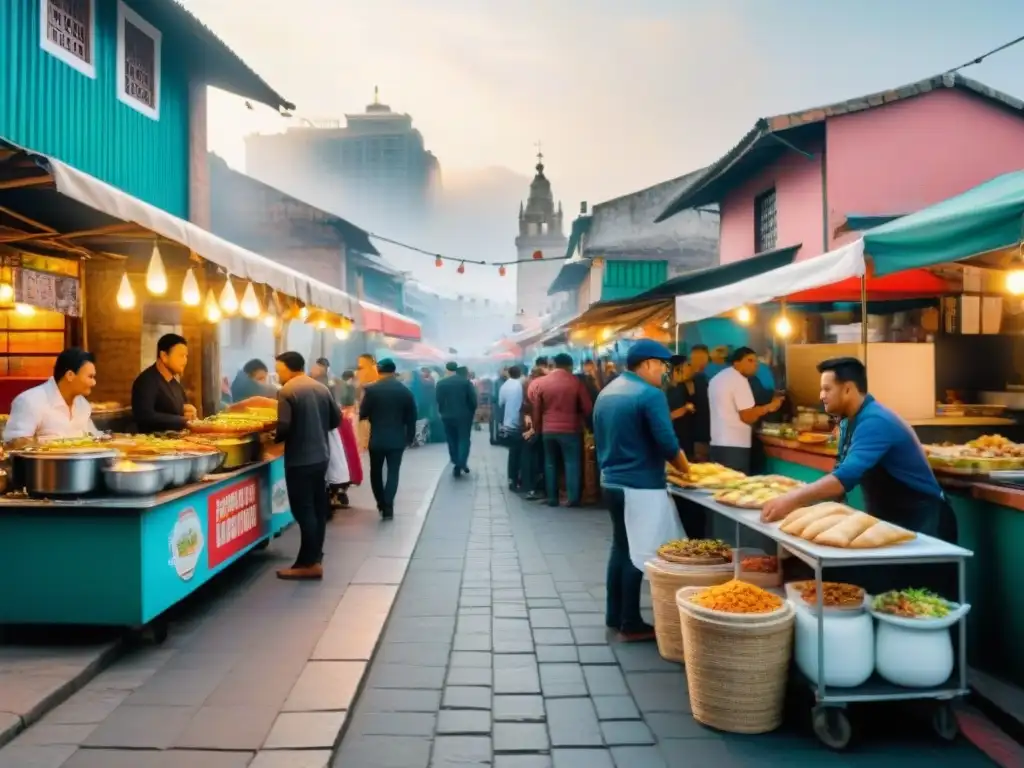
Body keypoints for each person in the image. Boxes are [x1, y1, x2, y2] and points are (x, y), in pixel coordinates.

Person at [760, 357, 958, 596]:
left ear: (848, 389)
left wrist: (792, 499)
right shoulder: (847, 422)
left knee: (921, 605)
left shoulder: (875, 421)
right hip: (890, 521)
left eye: (826, 389)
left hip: (925, 521)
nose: (821, 395)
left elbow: (843, 478)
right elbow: (839, 482)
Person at [594, 339, 690, 641]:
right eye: (663, 365)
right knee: (638, 553)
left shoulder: (608, 391)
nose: (665, 372)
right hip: (640, 485)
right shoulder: (650, 395)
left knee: (621, 547)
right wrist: (689, 470)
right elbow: (667, 441)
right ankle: (631, 622)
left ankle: (615, 614)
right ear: (647, 364)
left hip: (611, 481)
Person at [273, 351, 341, 580]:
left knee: (304, 511)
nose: (278, 373)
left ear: (290, 368)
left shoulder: (287, 391)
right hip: (321, 456)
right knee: (317, 508)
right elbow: (336, 420)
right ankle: (311, 558)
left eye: (279, 369)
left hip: (299, 460)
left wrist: (270, 438)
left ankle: (310, 563)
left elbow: (283, 427)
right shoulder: (321, 388)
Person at [707, 346, 784, 474]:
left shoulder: (717, 379)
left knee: (721, 488)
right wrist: (770, 406)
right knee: (736, 487)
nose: (755, 365)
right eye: (750, 360)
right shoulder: (739, 380)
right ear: (736, 362)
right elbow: (747, 416)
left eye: (756, 361)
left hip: (717, 444)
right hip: (735, 447)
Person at [532, 353, 593, 507]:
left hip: (548, 430)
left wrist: (537, 428)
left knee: (550, 463)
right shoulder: (575, 382)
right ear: (569, 366)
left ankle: (552, 498)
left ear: (554, 364)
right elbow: (587, 407)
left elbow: (537, 409)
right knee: (571, 462)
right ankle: (573, 498)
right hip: (571, 429)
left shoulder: (543, 383)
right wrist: (589, 426)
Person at [359, 358, 417, 519]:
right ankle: (388, 503)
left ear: (378, 370)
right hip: (397, 439)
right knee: (393, 472)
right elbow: (412, 418)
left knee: (375, 472)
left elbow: (363, 413)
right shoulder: (405, 391)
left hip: (376, 438)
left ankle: (380, 502)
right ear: (394, 371)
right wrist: (409, 438)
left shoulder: (371, 390)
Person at [4, 348, 99, 445]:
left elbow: (96, 438)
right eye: (90, 377)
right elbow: (13, 444)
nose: (94, 383)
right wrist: (48, 443)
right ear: (70, 375)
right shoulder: (30, 401)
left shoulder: (83, 404)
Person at [132, 334, 198, 433]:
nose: (185, 361)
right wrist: (183, 420)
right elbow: (145, 416)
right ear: (164, 356)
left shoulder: (176, 385)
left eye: (186, 356)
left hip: (177, 441)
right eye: (181, 355)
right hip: (154, 444)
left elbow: (181, 411)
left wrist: (188, 411)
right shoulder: (146, 381)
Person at [436, 361, 477, 477]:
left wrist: (442, 412)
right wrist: (471, 412)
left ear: (446, 369)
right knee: (464, 439)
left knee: (451, 439)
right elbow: (473, 400)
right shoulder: (465, 383)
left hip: (447, 416)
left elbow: (438, 400)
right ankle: (462, 461)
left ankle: (456, 461)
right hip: (464, 416)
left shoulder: (441, 383)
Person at [520, 364, 547, 500]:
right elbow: (535, 409)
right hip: (537, 428)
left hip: (530, 427)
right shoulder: (538, 387)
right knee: (537, 459)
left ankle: (529, 486)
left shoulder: (528, 386)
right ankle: (536, 487)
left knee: (529, 458)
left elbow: (525, 409)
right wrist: (534, 429)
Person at [498, 365, 525, 490]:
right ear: (520, 373)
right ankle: (520, 479)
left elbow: (500, 403)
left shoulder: (504, 386)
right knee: (522, 453)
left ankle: (511, 479)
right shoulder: (522, 384)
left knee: (513, 453)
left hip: (509, 423)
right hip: (520, 424)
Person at [665, 356, 697, 458]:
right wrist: (685, 408)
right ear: (678, 368)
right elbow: (669, 415)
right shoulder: (667, 389)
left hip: (688, 437)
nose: (691, 368)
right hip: (675, 437)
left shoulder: (686, 385)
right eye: (687, 365)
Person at [688, 344, 712, 461]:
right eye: (696, 357)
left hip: (706, 434)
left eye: (702, 357)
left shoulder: (706, 378)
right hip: (695, 436)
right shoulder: (688, 380)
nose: (700, 361)